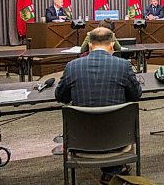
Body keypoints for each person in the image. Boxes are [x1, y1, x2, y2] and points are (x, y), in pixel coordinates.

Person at [55, 27, 142, 184]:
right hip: (118, 141)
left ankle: (113, 171)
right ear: (111, 45)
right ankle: (114, 170)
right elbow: (136, 95)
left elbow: (60, 97)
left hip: (80, 143)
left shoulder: (72, 66)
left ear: (89, 46)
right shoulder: (124, 66)